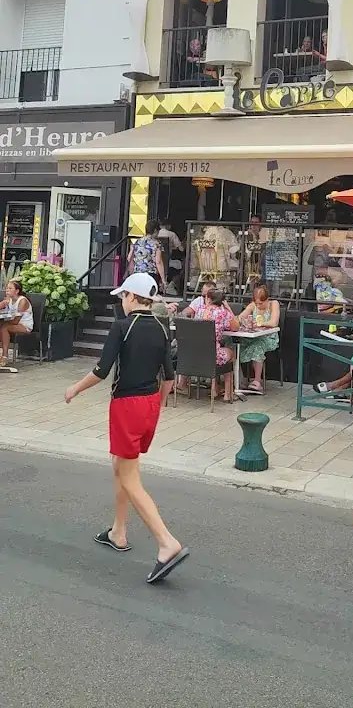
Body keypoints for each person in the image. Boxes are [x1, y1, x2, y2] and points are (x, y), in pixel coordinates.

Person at [64, 273, 188, 584]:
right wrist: (156, 406)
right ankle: (118, 531)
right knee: (121, 464)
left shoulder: (122, 326)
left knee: (130, 478)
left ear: (132, 297)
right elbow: (170, 376)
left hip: (126, 405)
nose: (121, 301)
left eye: (123, 296)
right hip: (150, 403)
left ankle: (166, 542)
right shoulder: (161, 328)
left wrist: (75, 389)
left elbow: (101, 370)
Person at [194, 288, 238, 402]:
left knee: (221, 349)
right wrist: (228, 309)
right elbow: (235, 327)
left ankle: (214, 389)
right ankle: (228, 394)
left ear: (208, 298)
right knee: (231, 353)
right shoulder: (223, 313)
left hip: (195, 354)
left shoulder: (199, 311)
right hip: (212, 356)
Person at [238, 284, 280, 393]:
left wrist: (259, 324)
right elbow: (240, 317)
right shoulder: (253, 306)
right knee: (235, 346)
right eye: (256, 303)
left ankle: (257, 381)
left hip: (269, 338)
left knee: (258, 346)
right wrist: (246, 322)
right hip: (253, 337)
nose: (258, 306)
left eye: (261, 303)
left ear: (267, 299)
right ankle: (239, 379)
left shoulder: (273, 304)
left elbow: (274, 322)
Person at [0, 279, 33, 372]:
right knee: (2, 326)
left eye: (10, 288)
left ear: (17, 291)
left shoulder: (22, 301)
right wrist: (4, 302)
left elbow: (16, 321)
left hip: (24, 325)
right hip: (13, 324)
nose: (7, 290)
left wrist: (3, 322)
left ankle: (5, 356)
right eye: (7, 288)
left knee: (4, 327)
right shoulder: (8, 300)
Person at [127, 220, 166, 292]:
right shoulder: (157, 244)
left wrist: (131, 273)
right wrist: (163, 279)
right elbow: (158, 262)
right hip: (150, 275)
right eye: (158, 231)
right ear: (155, 230)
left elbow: (130, 258)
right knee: (150, 297)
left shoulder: (137, 242)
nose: (158, 234)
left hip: (137, 273)